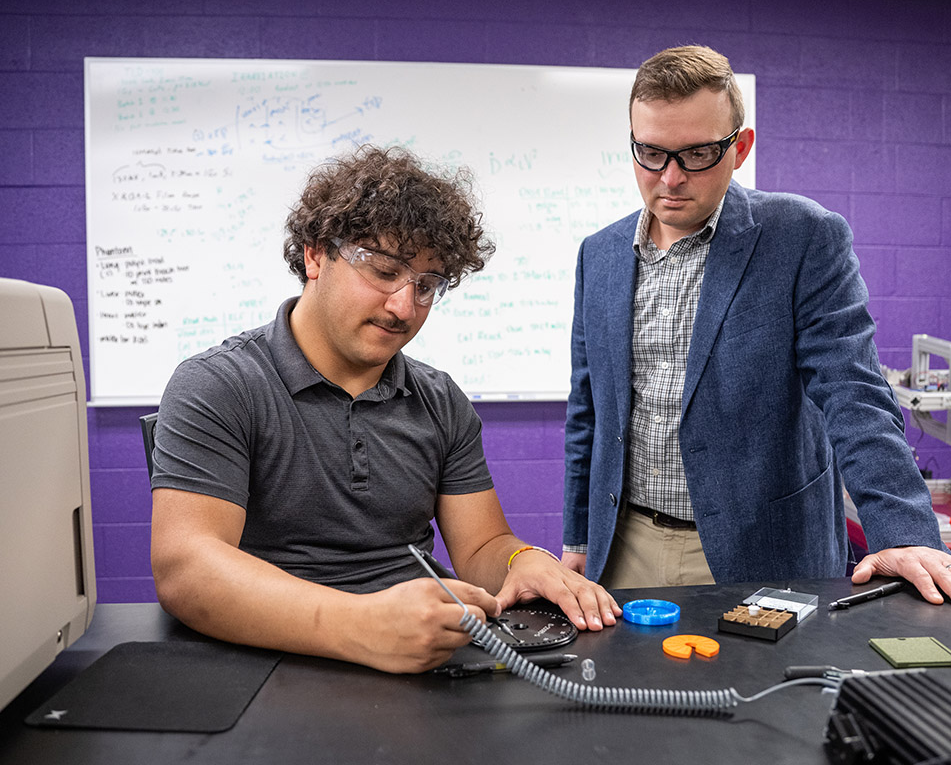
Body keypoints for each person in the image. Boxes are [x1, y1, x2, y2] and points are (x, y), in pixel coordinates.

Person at [560, 45, 951, 608]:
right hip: (625, 548)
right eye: (650, 153)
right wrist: (579, 535)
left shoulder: (802, 237)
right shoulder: (597, 256)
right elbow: (588, 410)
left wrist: (905, 533)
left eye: (696, 154)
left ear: (739, 147)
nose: (669, 178)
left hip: (760, 551)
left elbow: (854, 391)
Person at [150, 146, 620, 674]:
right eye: (383, 270)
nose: (404, 306)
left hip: (419, 658)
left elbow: (482, 544)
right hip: (267, 663)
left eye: (427, 285)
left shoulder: (439, 400)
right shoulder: (219, 384)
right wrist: (361, 625)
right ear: (314, 256)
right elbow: (186, 567)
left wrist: (521, 560)